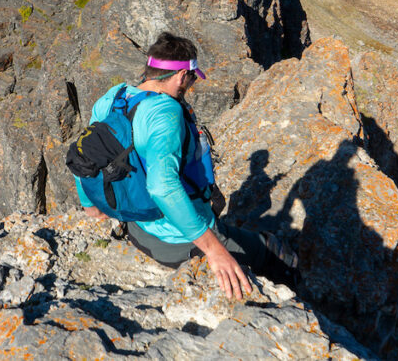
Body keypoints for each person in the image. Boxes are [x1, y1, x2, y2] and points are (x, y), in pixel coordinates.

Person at [74, 32, 297, 300]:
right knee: (274, 250)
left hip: (136, 227)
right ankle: (308, 298)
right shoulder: (165, 113)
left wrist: (89, 204)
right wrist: (213, 250)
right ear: (181, 76)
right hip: (177, 242)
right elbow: (162, 186)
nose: (190, 85)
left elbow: (85, 152)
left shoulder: (114, 97)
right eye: (192, 78)